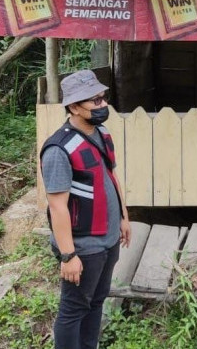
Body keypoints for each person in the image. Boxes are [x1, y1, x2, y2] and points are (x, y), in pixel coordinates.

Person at [40, 69, 131, 349]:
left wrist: (125, 218)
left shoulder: (102, 134)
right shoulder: (59, 149)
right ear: (74, 107)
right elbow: (57, 206)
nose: (102, 105)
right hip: (83, 245)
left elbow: (111, 177)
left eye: (103, 99)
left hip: (108, 239)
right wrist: (68, 255)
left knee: (96, 301)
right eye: (94, 101)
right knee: (74, 309)